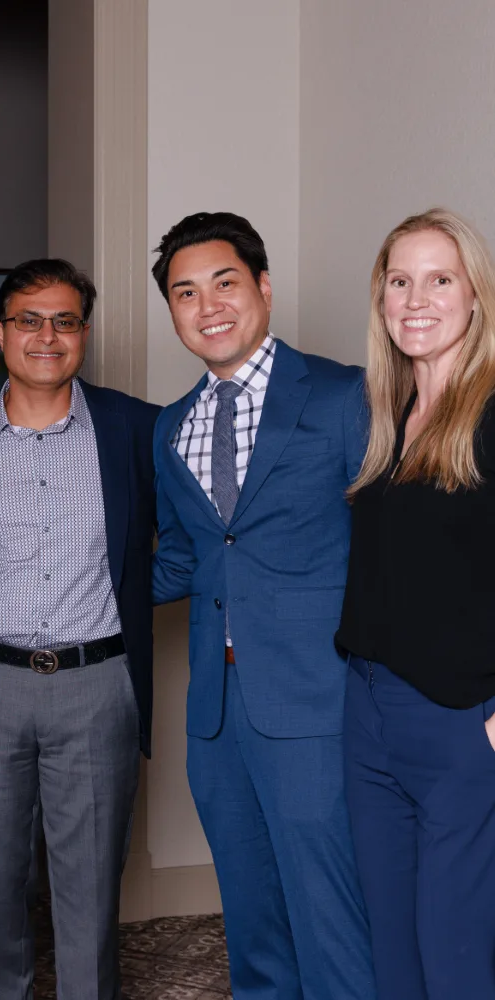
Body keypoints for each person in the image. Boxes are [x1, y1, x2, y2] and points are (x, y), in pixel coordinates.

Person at [150, 212, 374, 1000]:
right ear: (171, 311)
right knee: (251, 920)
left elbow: (386, 543)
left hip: (318, 697)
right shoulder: (171, 428)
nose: (207, 305)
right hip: (215, 710)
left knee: (331, 917)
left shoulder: (344, 393)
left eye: (224, 283)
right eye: (185, 292)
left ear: (264, 289)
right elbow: (186, 556)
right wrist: (69, 588)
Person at [0, 259, 161, 999]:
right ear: (1, 333)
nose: (46, 336)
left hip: (97, 688)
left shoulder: (135, 428)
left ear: (83, 335)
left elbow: (194, 538)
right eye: (29, 319)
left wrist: (128, 595)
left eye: (64, 321)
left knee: (91, 893)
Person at [337, 208, 495, 1000]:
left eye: (440, 279)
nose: (416, 298)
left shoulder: (492, 411)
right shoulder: (386, 417)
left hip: (460, 723)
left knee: (455, 956)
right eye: (400, 280)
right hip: (367, 716)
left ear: (477, 298)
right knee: (392, 953)